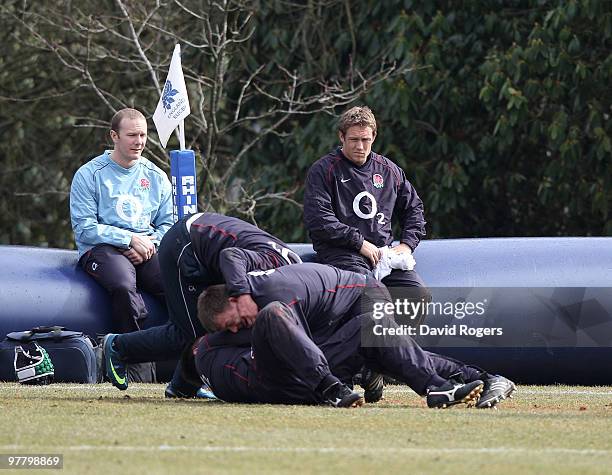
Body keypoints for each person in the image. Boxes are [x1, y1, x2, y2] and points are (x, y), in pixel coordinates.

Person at [193, 262, 516, 409]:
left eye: (233, 324)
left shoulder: (276, 297)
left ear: (238, 297)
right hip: (328, 329)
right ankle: (448, 384)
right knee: (378, 343)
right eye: (227, 332)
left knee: (379, 338)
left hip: (366, 294)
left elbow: (301, 349)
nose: (237, 331)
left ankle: (447, 384)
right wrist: (181, 382)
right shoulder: (243, 315)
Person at [102, 212, 302, 397]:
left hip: (207, 251)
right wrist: (242, 295)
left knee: (211, 330)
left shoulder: (293, 276)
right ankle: (119, 347)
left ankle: (182, 387)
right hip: (186, 243)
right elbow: (230, 256)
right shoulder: (275, 269)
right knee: (188, 332)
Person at [303, 106, 428, 294]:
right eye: (354, 140)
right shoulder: (323, 170)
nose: (360, 146)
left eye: (365, 140)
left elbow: (414, 208)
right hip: (343, 255)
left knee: (417, 294)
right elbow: (319, 220)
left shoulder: (389, 170)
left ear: (374, 137)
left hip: (383, 255)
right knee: (371, 297)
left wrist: (407, 245)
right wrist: (359, 243)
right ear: (341, 137)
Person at [70, 108, 173, 334]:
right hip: (101, 249)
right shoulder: (89, 174)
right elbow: (84, 228)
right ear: (114, 136)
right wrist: (129, 239)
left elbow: (169, 225)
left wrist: (148, 244)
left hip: (146, 247)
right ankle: (131, 358)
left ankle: (188, 354)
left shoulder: (156, 176)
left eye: (143, 135)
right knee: (123, 285)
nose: (139, 142)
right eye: (132, 135)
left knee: (175, 283)